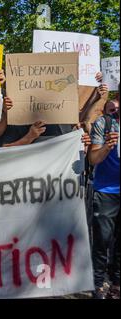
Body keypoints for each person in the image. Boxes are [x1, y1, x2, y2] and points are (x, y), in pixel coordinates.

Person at [88, 94, 120, 299]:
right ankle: (97, 284)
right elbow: (92, 159)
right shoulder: (105, 123)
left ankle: (116, 283)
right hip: (106, 191)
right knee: (102, 241)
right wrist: (108, 147)